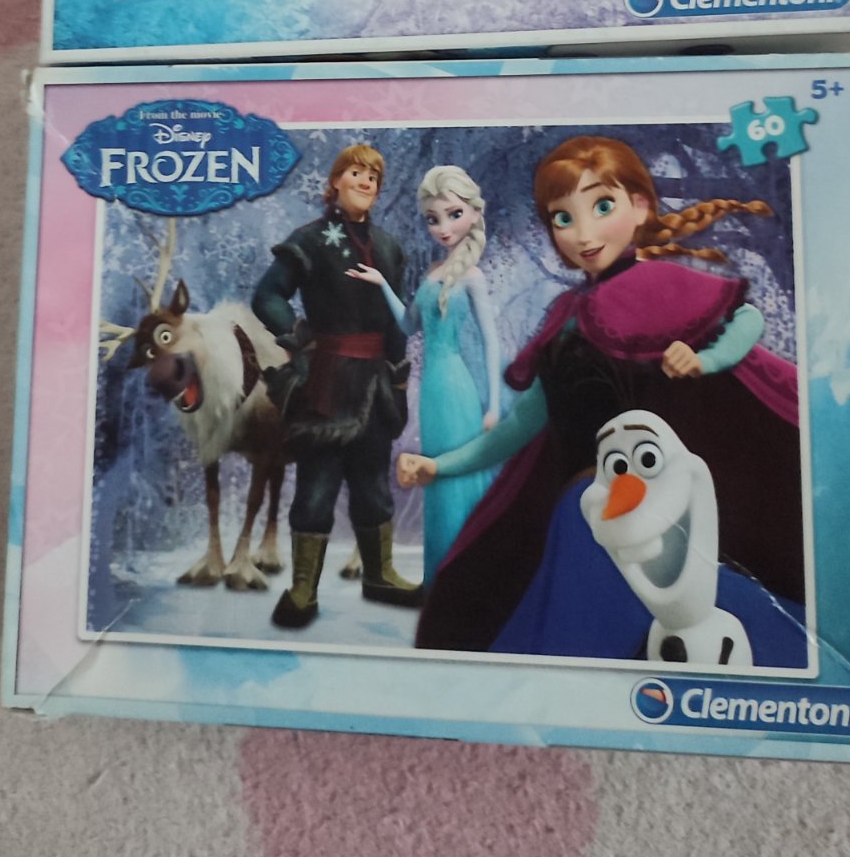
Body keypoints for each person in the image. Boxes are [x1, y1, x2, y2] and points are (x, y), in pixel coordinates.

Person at [398, 135, 805, 663]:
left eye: (603, 207)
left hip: (654, 500)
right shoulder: (565, 321)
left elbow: (746, 318)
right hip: (590, 504)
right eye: (563, 218)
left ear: (641, 206)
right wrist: (440, 465)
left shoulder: (662, 286)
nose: (583, 234)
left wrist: (709, 359)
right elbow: (524, 423)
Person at [251, 143, 422, 629]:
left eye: (373, 176)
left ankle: (381, 575)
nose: (365, 181)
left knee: (373, 486)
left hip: (376, 387)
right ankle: (303, 590)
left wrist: (397, 374)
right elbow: (267, 295)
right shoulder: (309, 240)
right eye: (356, 172)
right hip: (325, 383)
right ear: (335, 182)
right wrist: (298, 338)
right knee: (317, 487)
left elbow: (398, 322)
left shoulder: (390, 248)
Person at [347, 166, 502, 583]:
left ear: (474, 213)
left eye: (454, 215)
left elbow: (491, 342)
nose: (443, 228)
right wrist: (382, 283)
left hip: (455, 387)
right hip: (434, 389)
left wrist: (494, 406)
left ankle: (467, 579)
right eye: (433, 219)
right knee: (435, 476)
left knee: (455, 474)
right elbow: (408, 325)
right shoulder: (433, 272)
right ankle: (439, 578)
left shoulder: (472, 277)